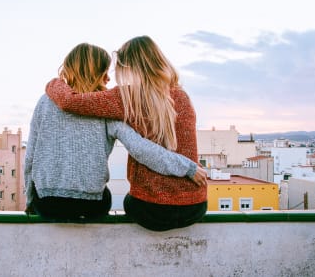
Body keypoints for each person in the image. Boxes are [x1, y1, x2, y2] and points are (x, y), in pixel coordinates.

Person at [24, 42, 202, 221]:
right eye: (105, 73)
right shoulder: (107, 110)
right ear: (95, 73)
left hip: (46, 204)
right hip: (90, 206)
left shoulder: (45, 103)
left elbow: (30, 156)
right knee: (109, 196)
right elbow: (140, 148)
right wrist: (188, 168)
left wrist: (30, 200)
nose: (108, 79)